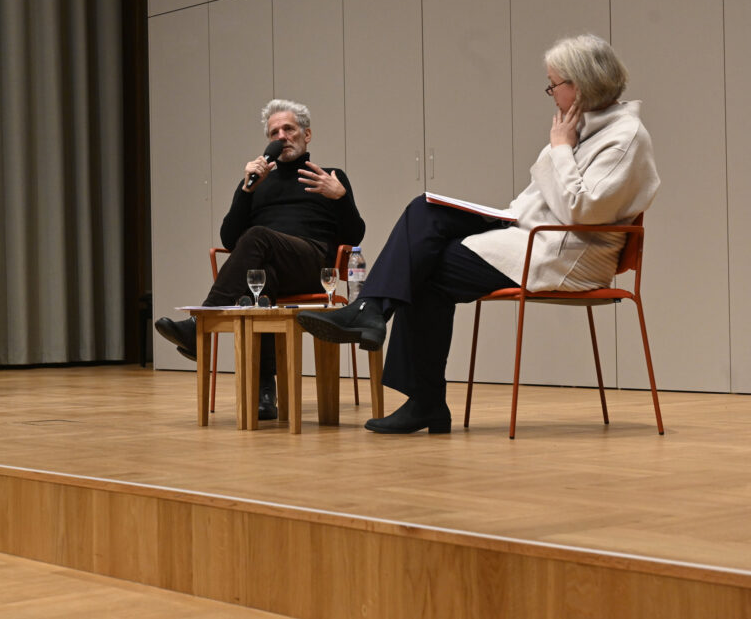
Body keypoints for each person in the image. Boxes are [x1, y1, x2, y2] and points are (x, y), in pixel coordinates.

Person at [298, 33, 660, 434]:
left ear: (581, 84)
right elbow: (543, 199)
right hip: (531, 230)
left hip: (567, 252)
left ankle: (415, 385)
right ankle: (372, 315)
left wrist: (559, 147)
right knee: (424, 210)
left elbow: (582, 211)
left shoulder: (624, 138)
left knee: (425, 268)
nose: (551, 93)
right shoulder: (581, 126)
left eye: (553, 84)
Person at [156, 99, 366, 420]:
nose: (281, 137)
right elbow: (228, 240)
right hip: (271, 268)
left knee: (256, 237)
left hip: (313, 266)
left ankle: (201, 326)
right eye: (274, 132)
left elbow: (354, 237)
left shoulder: (329, 177)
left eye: (289, 129)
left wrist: (340, 196)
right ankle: (264, 396)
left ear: (306, 135)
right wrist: (245, 190)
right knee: (258, 281)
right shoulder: (258, 183)